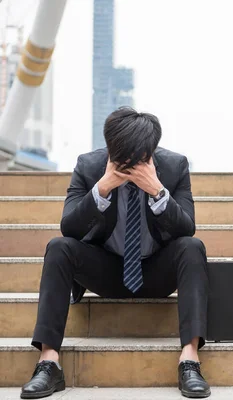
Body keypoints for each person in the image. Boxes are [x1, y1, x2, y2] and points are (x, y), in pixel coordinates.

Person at [21, 107, 211, 399]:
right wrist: (103, 188)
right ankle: (49, 362)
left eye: (141, 158)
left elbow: (187, 228)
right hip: (106, 272)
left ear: (152, 151)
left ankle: (190, 359)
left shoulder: (173, 167)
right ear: (111, 149)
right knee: (58, 247)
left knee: (192, 247)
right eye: (123, 159)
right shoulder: (89, 166)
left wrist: (158, 191)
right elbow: (68, 228)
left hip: (155, 273)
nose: (132, 165)